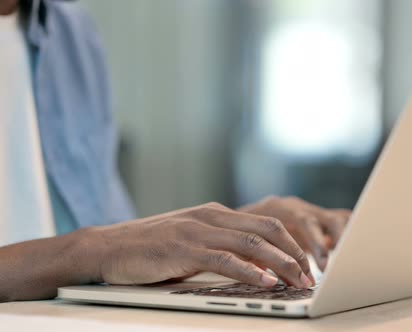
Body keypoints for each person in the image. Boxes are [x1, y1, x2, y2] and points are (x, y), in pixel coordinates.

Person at [0, 0, 350, 302]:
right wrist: (91, 251)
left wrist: (226, 235)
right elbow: (94, 251)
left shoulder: (70, 33)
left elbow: (111, 246)